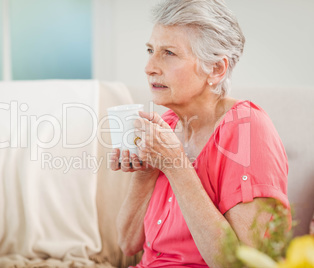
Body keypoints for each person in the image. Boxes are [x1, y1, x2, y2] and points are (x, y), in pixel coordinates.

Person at [109, 0, 290, 267]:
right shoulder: (167, 126)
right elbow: (127, 243)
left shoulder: (247, 129)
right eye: (150, 50)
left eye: (169, 53)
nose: (150, 67)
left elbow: (243, 263)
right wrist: (147, 172)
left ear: (216, 69)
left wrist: (175, 166)